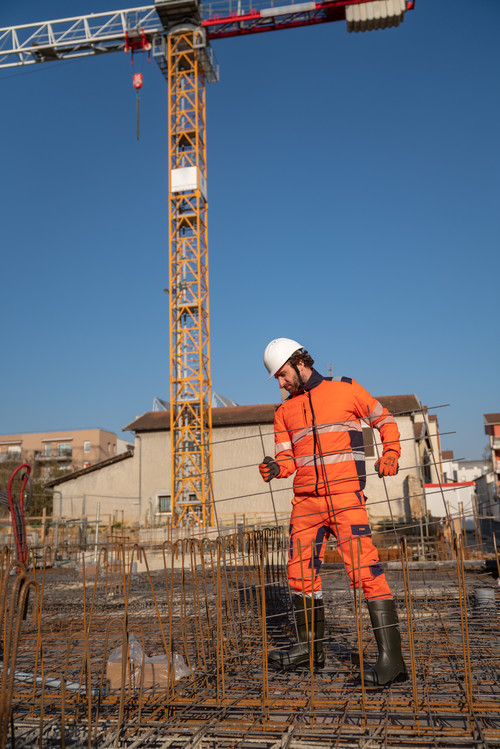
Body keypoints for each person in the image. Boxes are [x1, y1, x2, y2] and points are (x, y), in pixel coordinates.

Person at [259, 337, 407, 687]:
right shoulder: (283, 413)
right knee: (299, 574)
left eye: (282, 375)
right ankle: (310, 650)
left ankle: (393, 661)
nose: (281, 383)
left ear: (299, 363)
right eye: (277, 378)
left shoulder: (346, 390)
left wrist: (391, 452)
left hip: (345, 498)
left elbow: (385, 420)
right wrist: (276, 468)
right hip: (306, 503)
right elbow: (287, 458)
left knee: (366, 571)